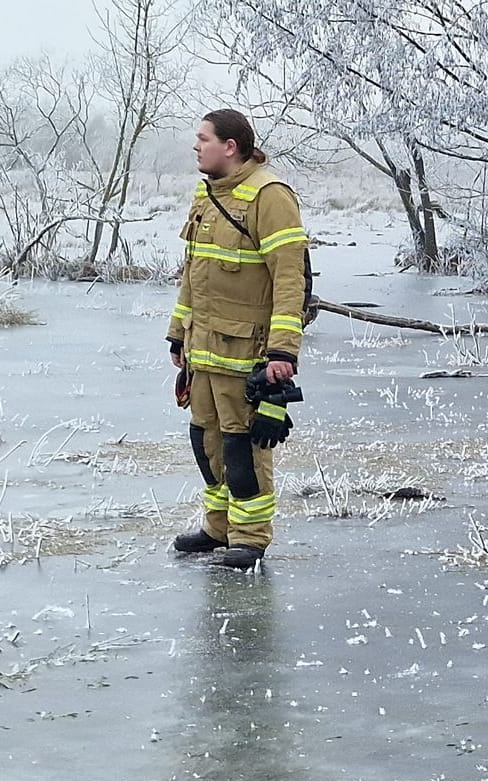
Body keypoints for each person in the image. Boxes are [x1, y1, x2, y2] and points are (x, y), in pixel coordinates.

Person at [166, 109, 310, 570]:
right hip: (203, 350)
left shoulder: (270, 196)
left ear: (230, 146)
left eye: (203, 139)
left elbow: (290, 280)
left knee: (242, 446)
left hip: (246, 353)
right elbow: (193, 273)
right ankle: (218, 526)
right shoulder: (207, 195)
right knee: (205, 442)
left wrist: (283, 352)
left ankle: (250, 537)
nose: (196, 146)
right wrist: (177, 334)